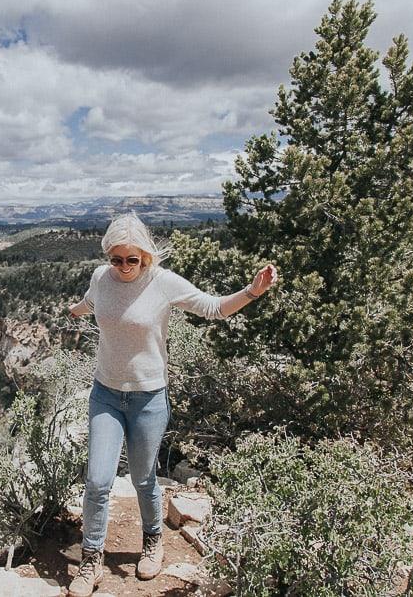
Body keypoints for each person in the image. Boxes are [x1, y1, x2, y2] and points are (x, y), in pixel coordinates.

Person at [64, 213, 277, 596]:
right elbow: (89, 302)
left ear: (146, 256)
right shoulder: (101, 277)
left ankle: (152, 540)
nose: (125, 267)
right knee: (97, 480)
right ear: (108, 256)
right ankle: (91, 560)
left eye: (133, 259)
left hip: (148, 398)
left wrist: (252, 292)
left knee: (145, 478)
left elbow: (212, 308)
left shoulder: (162, 284)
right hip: (106, 394)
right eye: (117, 259)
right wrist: (72, 313)